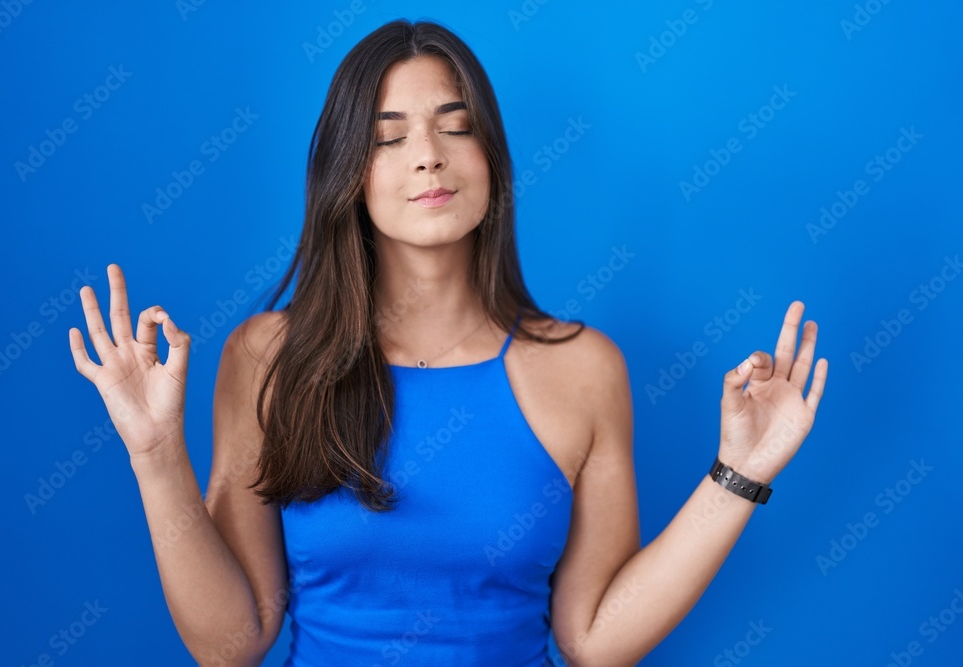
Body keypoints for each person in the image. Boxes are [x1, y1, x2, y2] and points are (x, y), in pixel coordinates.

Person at [68, 19, 828, 667]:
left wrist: (740, 471)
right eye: (388, 138)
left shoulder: (585, 368)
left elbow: (594, 638)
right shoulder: (267, 357)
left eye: (455, 126)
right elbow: (232, 641)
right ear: (347, 177)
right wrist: (156, 454)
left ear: (491, 158)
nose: (429, 154)